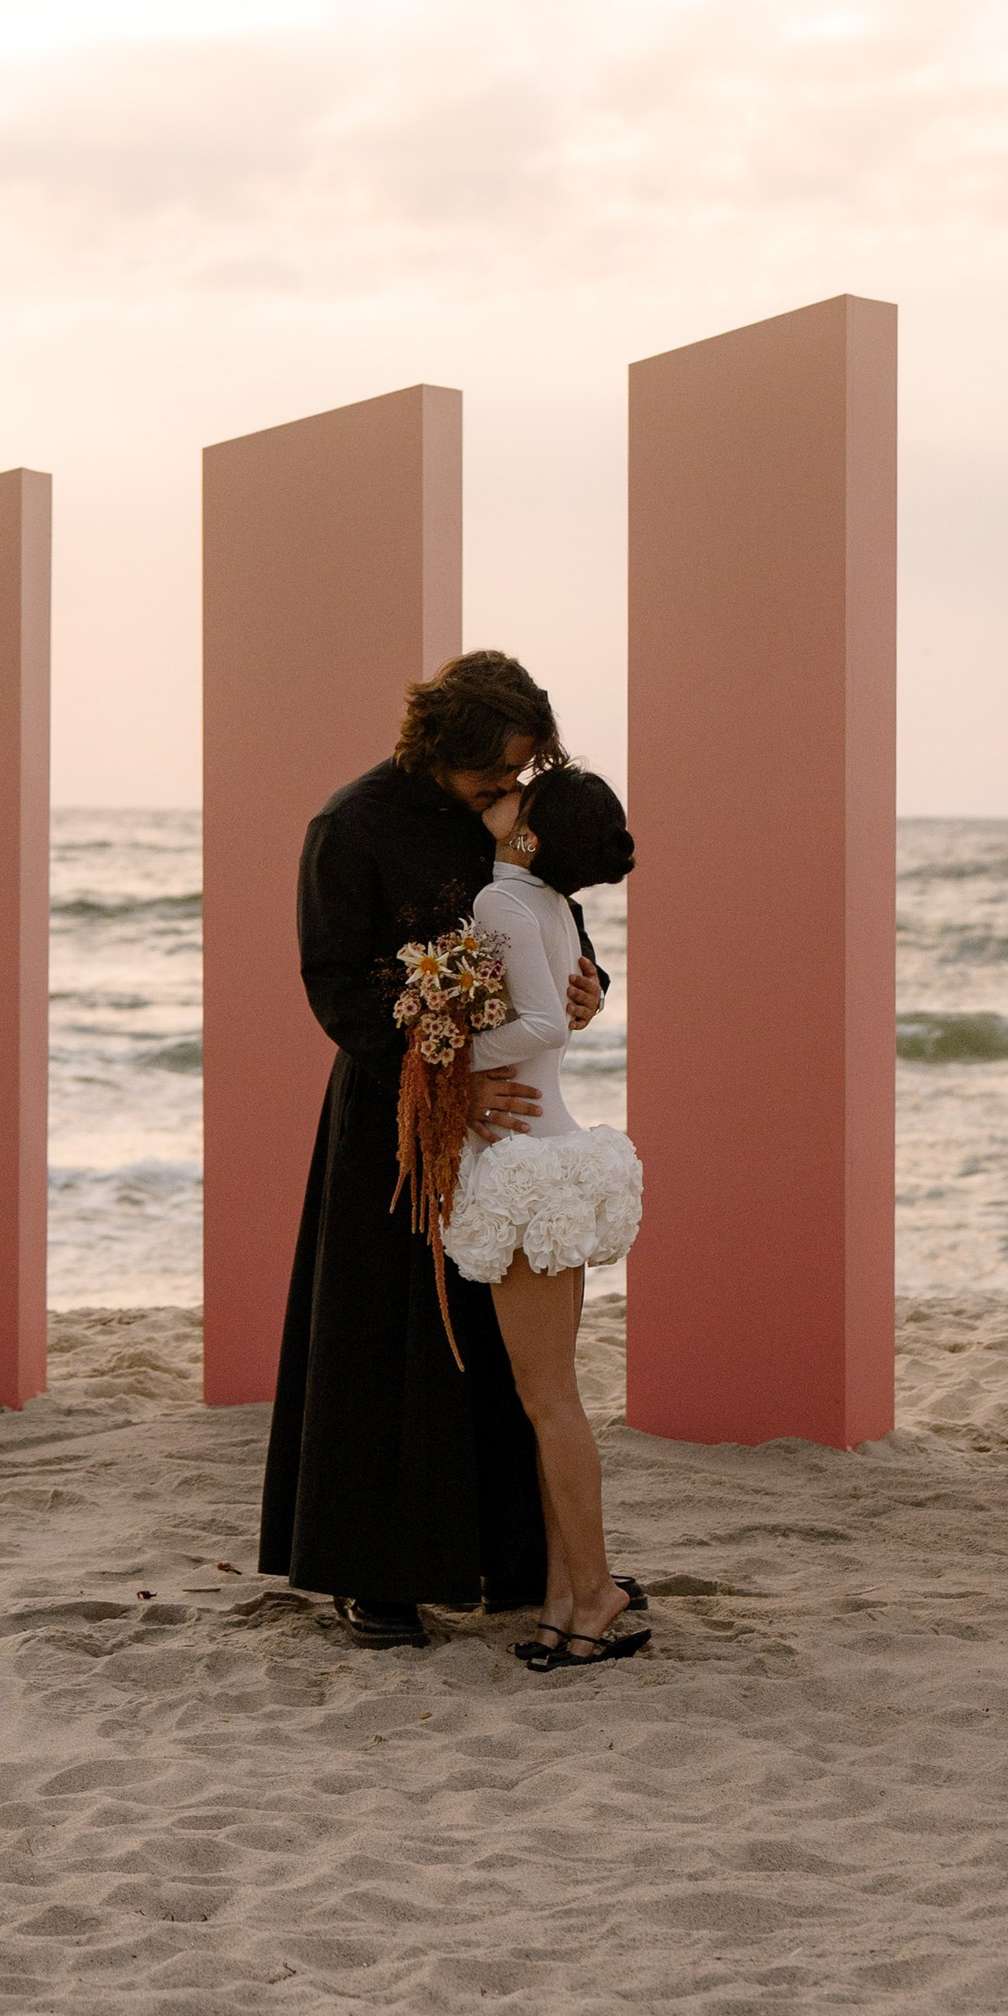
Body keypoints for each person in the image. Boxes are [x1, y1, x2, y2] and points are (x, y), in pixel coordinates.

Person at [257, 649, 634, 1649]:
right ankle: (375, 1577)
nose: (507, 789)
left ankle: (516, 1560)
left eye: (520, 772)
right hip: (394, 1113)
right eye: (493, 770)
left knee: (499, 1348)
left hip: (506, 1125)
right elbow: (335, 984)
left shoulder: (504, 821)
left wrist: (590, 985)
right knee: (383, 1335)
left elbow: (557, 918)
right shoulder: (349, 826)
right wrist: (443, 1081)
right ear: (438, 745)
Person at [444, 774, 646, 1670]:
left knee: (549, 1399)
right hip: (555, 1153)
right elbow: (559, 1013)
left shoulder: (502, 899)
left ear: (529, 835)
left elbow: (539, 1025)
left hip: (528, 1169)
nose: (505, 793)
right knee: (550, 1397)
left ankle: (593, 1589)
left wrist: (442, 1058)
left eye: (521, 795)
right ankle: (565, 1598)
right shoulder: (551, 903)